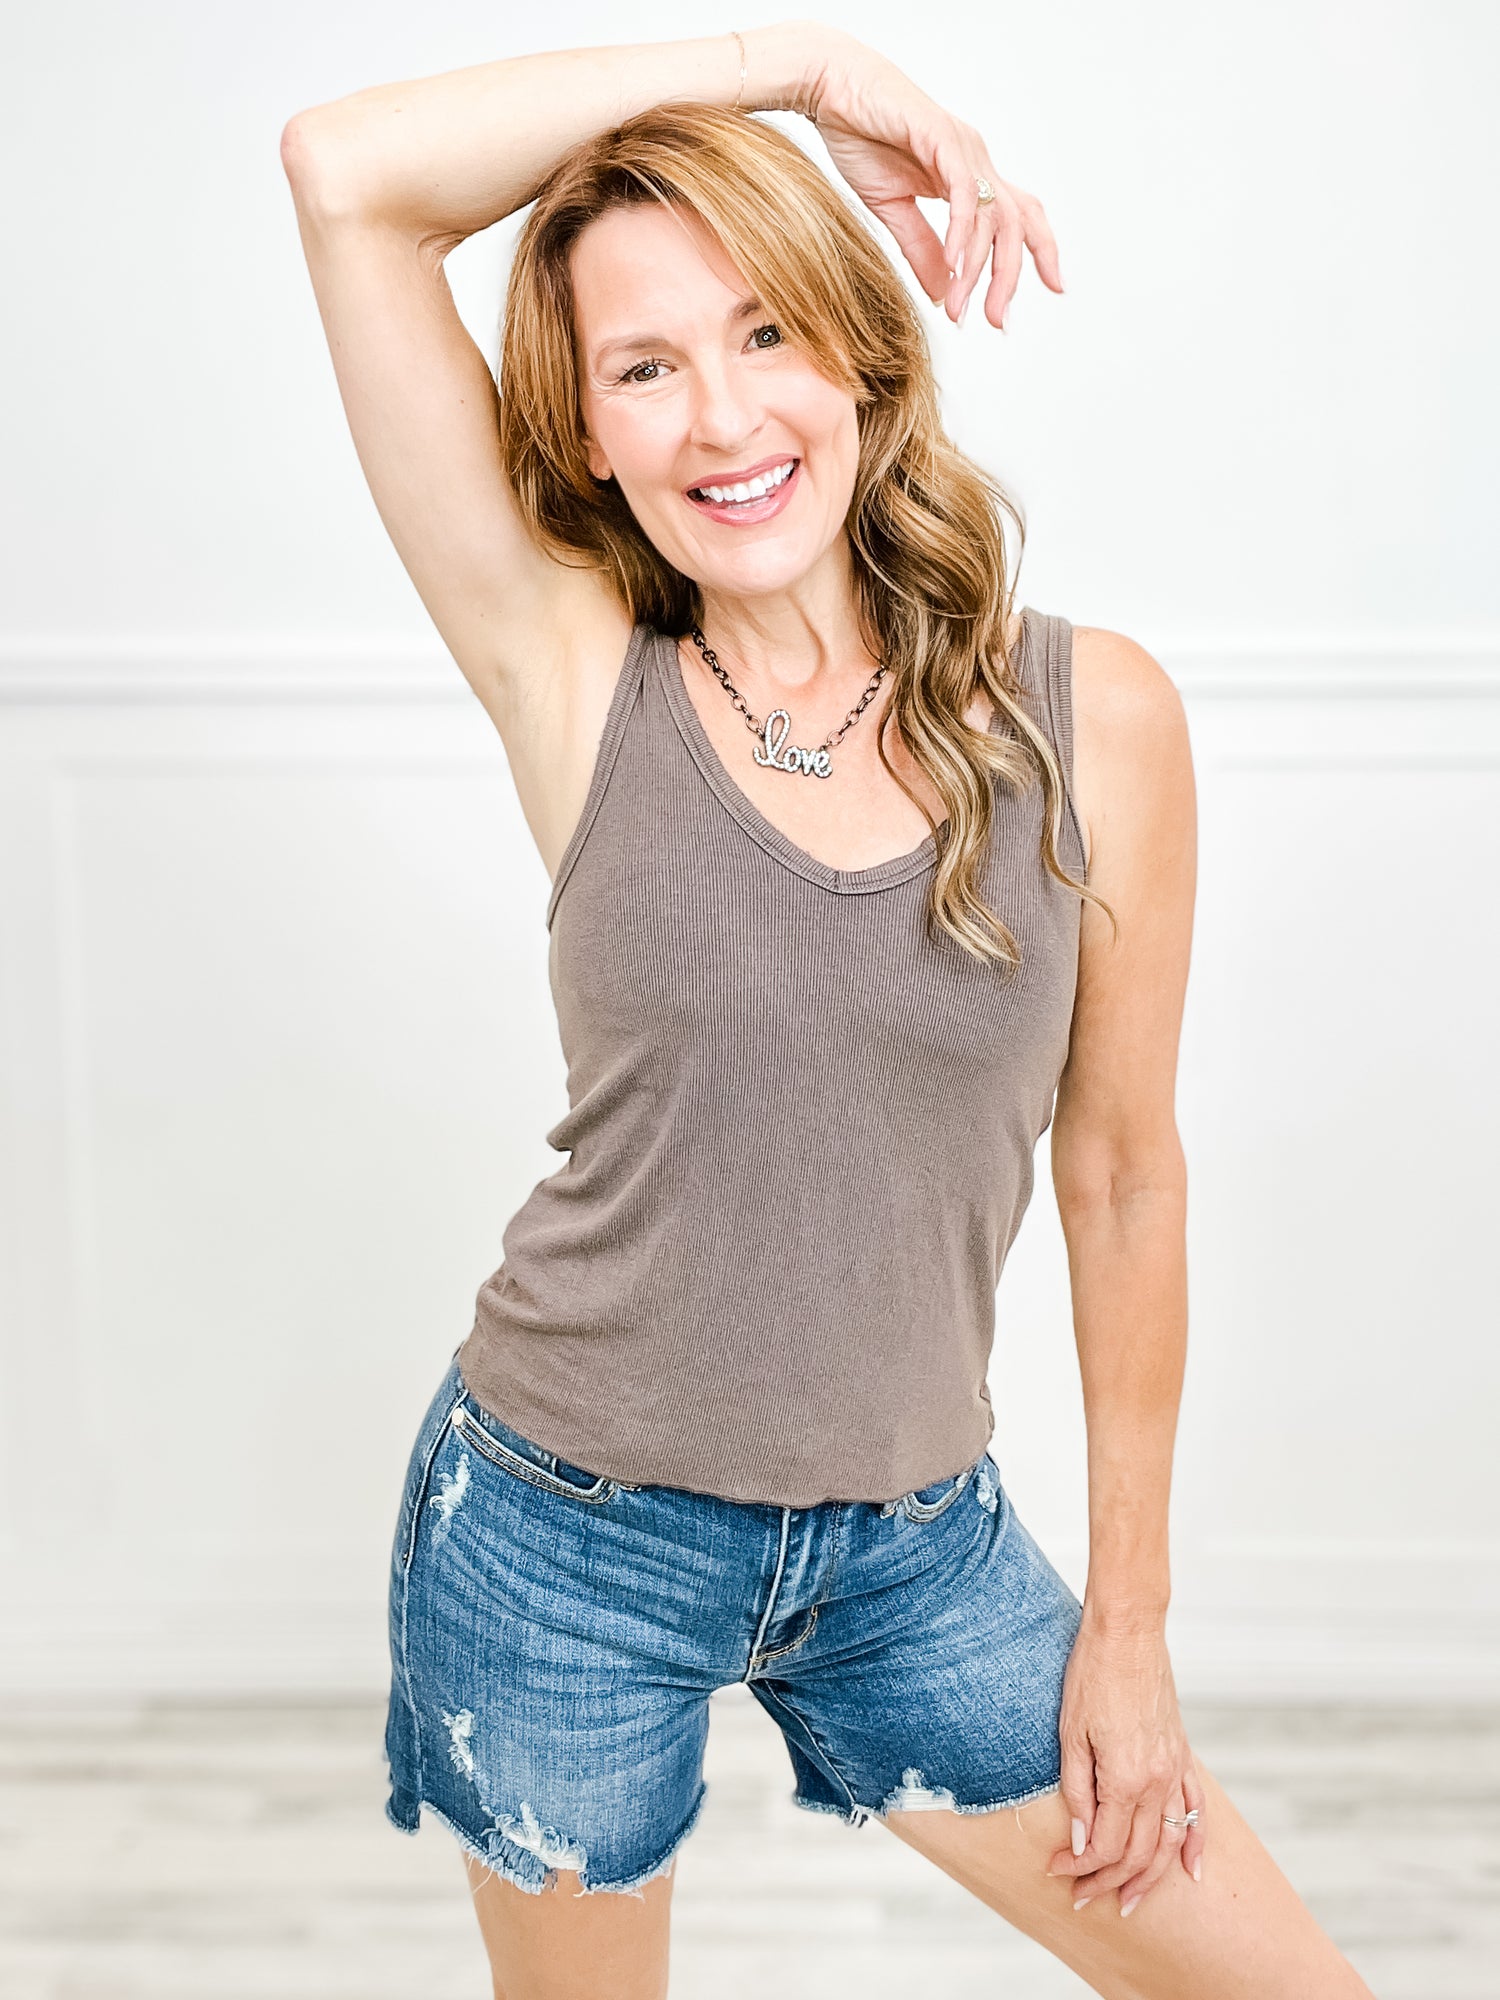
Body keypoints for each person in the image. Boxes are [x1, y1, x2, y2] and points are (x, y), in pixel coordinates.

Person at [280, 22, 1377, 1999]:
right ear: (588, 434)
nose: (722, 416)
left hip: (912, 1549)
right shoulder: (572, 668)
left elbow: (1124, 1176)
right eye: (644, 366)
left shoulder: (1094, 721)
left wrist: (1128, 1629)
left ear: (864, 356)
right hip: (559, 1532)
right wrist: (792, 66)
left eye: (768, 330)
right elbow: (346, 174)